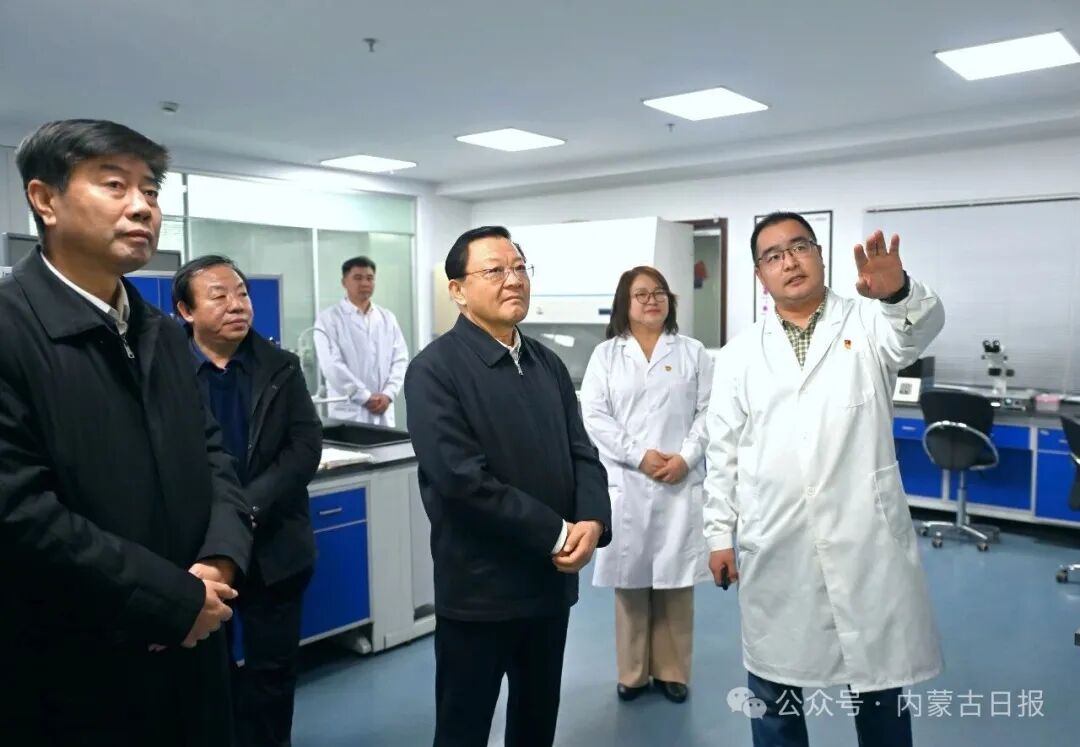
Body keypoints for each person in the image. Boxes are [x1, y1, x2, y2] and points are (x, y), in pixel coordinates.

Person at [0, 119, 253, 745]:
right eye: (115, 185)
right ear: (45, 199)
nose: (142, 206)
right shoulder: (11, 329)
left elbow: (212, 455)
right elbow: (19, 511)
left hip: (196, 644)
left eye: (151, 190)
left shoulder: (161, 332)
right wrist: (169, 599)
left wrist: (219, 561)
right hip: (74, 668)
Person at [704, 212, 945, 747]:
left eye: (799, 247)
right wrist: (719, 533)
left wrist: (898, 293)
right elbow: (723, 450)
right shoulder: (740, 354)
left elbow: (917, 330)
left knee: (878, 687)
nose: (789, 261)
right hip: (776, 539)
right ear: (760, 275)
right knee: (774, 695)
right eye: (773, 255)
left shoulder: (869, 322)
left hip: (864, 540)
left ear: (819, 254)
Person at [404, 225, 612, 747]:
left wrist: (591, 521)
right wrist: (557, 532)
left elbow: (582, 452)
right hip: (480, 591)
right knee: (464, 726)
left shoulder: (547, 364)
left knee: (536, 720)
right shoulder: (434, 371)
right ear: (458, 290)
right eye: (495, 270)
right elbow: (461, 480)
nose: (514, 279)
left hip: (548, 586)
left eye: (519, 267)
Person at [173, 255, 322, 747]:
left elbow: (304, 448)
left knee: (272, 674)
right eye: (219, 296)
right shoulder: (165, 369)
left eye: (241, 293)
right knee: (203, 675)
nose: (236, 304)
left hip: (275, 546)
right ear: (186, 311)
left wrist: (247, 508)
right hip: (198, 552)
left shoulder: (281, 366)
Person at [580, 266, 712, 704]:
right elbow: (595, 416)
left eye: (659, 292)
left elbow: (709, 412)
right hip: (629, 480)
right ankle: (633, 673)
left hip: (679, 479)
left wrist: (686, 457)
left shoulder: (693, 352)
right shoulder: (606, 356)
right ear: (625, 303)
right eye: (641, 294)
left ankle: (673, 671)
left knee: (676, 583)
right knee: (631, 582)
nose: (652, 300)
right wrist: (639, 455)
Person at [314, 256, 408, 427]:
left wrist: (388, 394)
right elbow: (331, 366)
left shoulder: (387, 318)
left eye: (369, 278)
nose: (365, 283)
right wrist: (364, 397)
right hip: (348, 412)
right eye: (358, 278)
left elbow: (400, 359)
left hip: (383, 410)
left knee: (386, 445)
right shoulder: (328, 319)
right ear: (344, 282)